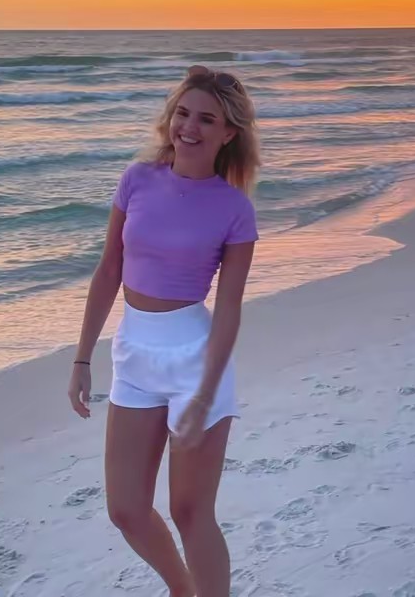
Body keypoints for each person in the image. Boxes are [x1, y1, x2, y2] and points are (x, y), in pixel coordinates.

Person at [68, 64, 260, 597]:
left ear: (229, 133)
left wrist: (205, 391)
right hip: (134, 353)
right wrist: (82, 358)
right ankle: (182, 589)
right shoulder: (137, 179)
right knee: (126, 508)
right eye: (183, 113)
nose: (189, 127)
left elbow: (229, 308)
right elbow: (109, 269)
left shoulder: (234, 209)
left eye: (206, 119)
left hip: (195, 359)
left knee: (190, 512)